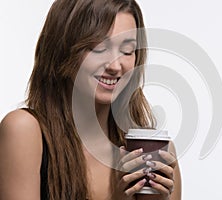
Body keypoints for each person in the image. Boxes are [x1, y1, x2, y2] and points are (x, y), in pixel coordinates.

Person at [0, 0, 181, 200]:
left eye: (128, 51)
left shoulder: (157, 155)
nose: (115, 65)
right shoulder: (25, 131)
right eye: (99, 47)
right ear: (63, 49)